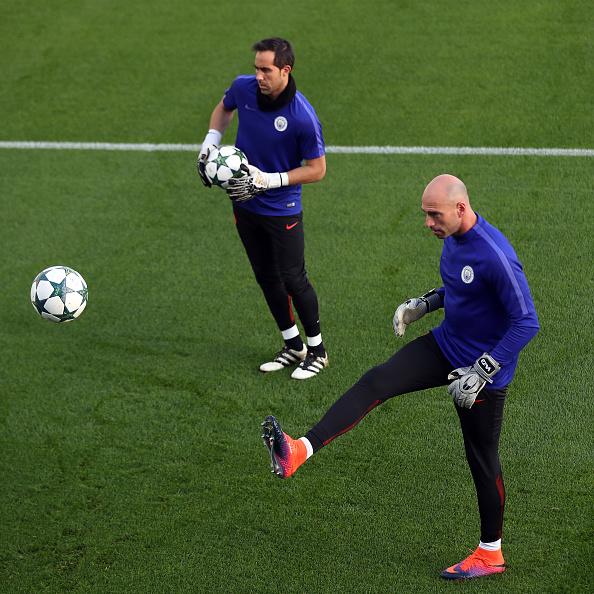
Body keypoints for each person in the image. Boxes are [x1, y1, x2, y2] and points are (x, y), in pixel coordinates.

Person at [261, 174, 540, 580]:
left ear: (460, 208)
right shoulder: (454, 240)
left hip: (481, 373)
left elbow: (526, 322)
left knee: (481, 457)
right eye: (425, 214)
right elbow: (461, 288)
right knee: (378, 381)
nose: (428, 222)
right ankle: (299, 451)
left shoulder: (495, 254)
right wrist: (425, 304)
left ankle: (490, 553)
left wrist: (483, 370)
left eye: (434, 214)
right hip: (445, 346)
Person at [197, 38, 328, 380]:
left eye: (266, 70)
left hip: (282, 208)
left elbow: (317, 169)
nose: (258, 76)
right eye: (257, 68)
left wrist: (269, 181)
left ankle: (317, 350)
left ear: (285, 70)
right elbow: (224, 108)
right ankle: (293, 345)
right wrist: (210, 145)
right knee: (266, 276)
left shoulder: (302, 116)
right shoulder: (244, 89)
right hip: (243, 201)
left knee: (293, 279)